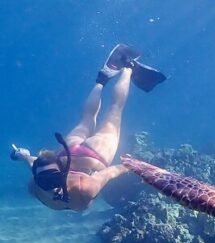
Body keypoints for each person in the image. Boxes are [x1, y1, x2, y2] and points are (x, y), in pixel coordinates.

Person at [10, 44, 166, 211]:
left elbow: (110, 172)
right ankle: (102, 79)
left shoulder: (84, 190)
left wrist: (137, 167)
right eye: (46, 181)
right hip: (68, 150)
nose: (51, 188)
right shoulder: (38, 180)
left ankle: (128, 68)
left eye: (53, 180)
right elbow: (32, 161)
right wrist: (20, 154)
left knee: (115, 109)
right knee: (88, 117)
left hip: (96, 155)